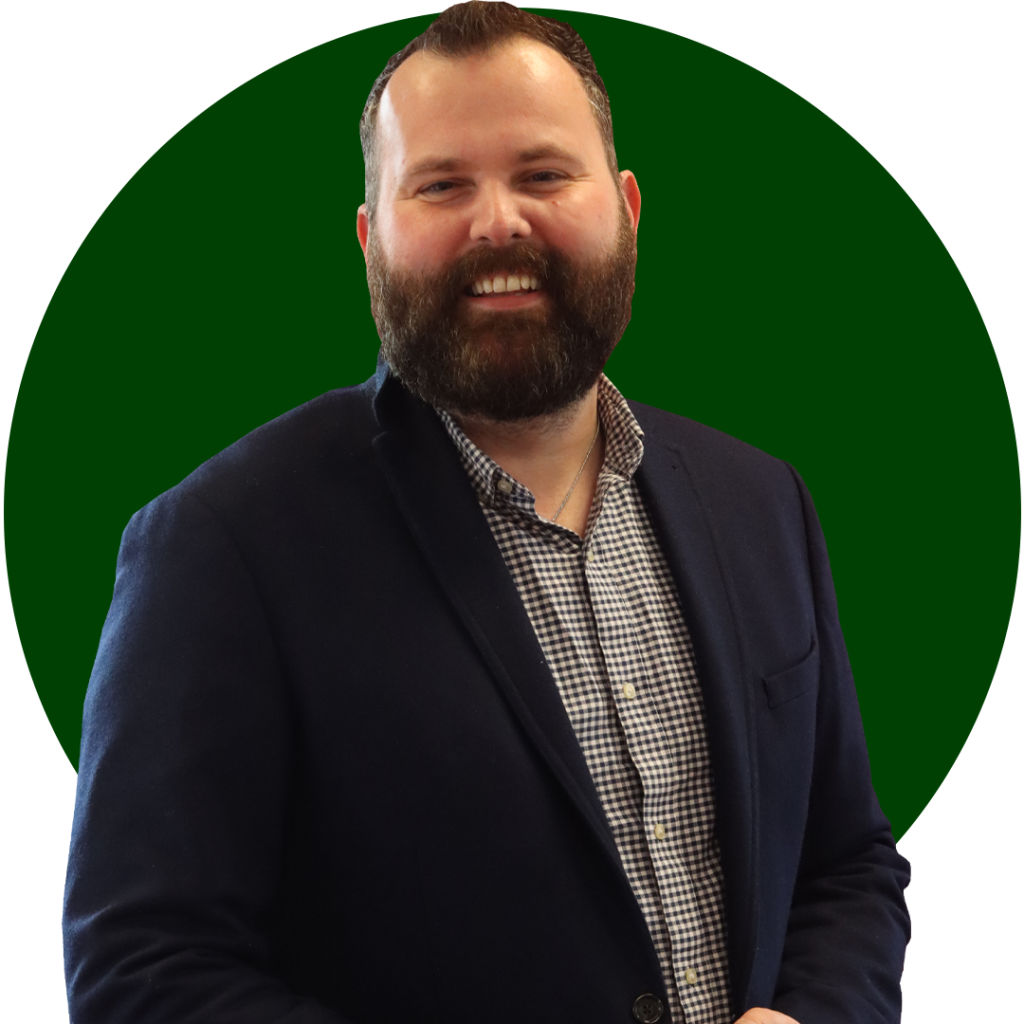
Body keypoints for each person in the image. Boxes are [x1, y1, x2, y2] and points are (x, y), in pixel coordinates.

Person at [61, 3, 912, 1022]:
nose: (498, 221)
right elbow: (144, 970)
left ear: (627, 209)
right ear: (371, 239)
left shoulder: (764, 501)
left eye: (543, 174)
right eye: (441, 185)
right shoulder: (219, 546)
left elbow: (848, 861)